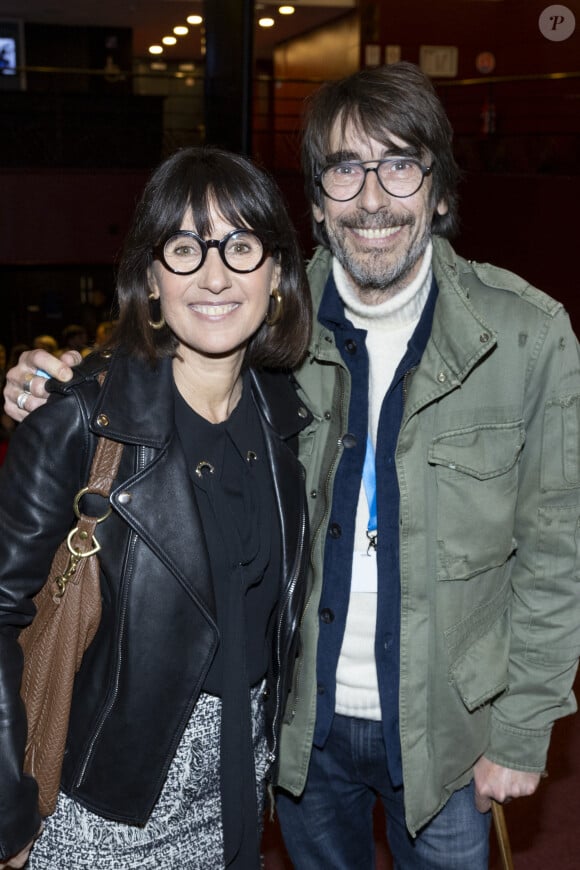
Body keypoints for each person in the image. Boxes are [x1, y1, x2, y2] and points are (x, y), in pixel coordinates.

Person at [5, 62, 580, 869]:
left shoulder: (527, 337)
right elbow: (159, 366)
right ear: (316, 202)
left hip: (447, 730)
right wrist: (54, 376)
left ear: (439, 193)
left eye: (400, 165)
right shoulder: (275, 327)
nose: (372, 196)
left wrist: (523, 729)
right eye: (346, 168)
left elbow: (556, 553)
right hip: (297, 733)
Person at [0, 145, 312, 870]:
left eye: (240, 246)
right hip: (101, 801)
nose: (213, 274)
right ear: (150, 278)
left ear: (275, 277)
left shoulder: (286, 417)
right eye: (184, 248)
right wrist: (7, 806)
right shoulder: (79, 422)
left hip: (238, 785)